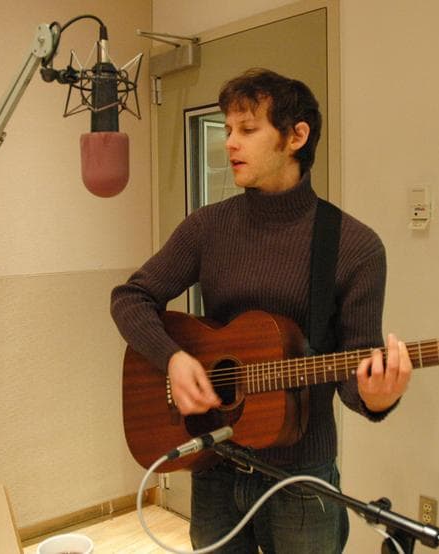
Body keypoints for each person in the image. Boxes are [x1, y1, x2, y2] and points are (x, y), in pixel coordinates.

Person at [111, 68, 412, 553]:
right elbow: (130, 298)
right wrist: (173, 358)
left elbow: (353, 374)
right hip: (214, 462)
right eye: (228, 129)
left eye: (248, 129)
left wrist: (377, 398)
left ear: (296, 136)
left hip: (302, 480)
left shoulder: (353, 246)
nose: (229, 142)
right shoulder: (207, 228)